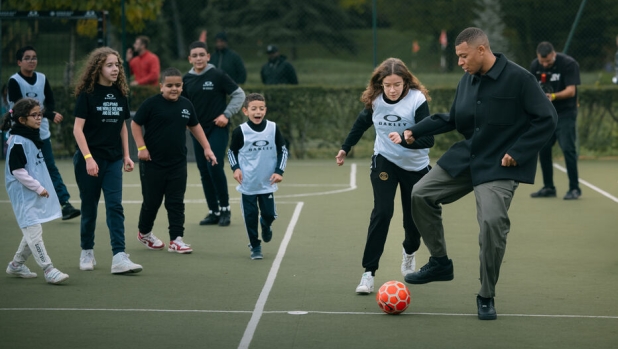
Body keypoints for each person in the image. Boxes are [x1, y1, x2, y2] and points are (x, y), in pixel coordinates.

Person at [393, 27, 557, 320]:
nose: (460, 62)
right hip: (468, 157)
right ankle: (440, 262)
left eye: (463, 56)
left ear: (482, 50)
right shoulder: (466, 81)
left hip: (501, 165)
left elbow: (547, 118)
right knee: (420, 193)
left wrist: (518, 152)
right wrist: (413, 131)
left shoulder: (520, 79)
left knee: (492, 223)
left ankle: (486, 294)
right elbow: (453, 119)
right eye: (458, 57)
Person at [335, 58, 434, 294]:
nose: (391, 90)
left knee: (413, 222)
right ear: (380, 84)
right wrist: (345, 148)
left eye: (397, 84)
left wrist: (405, 140)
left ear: (406, 82)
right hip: (385, 161)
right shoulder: (376, 100)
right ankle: (368, 273)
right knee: (382, 212)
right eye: (387, 85)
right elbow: (360, 125)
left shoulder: (417, 100)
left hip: (415, 166)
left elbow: (428, 139)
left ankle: (409, 253)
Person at [132, 67, 218, 254]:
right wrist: (141, 148)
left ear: (182, 86)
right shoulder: (151, 104)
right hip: (152, 163)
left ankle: (176, 240)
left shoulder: (186, 105)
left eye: (178, 85)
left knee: (176, 201)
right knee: (152, 202)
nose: (174, 89)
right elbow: (135, 123)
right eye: (169, 85)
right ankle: (144, 233)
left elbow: (195, 126)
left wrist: (207, 148)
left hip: (178, 164)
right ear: (161, 86)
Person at [73, 47, 143, 274]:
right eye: (110, 65)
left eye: (118, 65)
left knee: (115, 206)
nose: (115, 69)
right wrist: (88, 159)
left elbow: (122, 127)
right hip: (90, 160)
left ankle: (119, 256)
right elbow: (77, 129)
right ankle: (87, 251)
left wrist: (126, 155)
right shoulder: (87, 94)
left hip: (113, 161)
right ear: (98, 68)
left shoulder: (121, 93)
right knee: (89, 206)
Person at [7, 45, 81, 220]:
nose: (32, 60)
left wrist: (50, 113)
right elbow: (20, 108)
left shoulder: (42, 78)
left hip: (42, 134)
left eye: (34, 57)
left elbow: (50, 101)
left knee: (50, 168)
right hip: (23, 136)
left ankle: (65, 204)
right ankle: (27, 206)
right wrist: (49, 114)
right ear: (19, 62)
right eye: (27, 58)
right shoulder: (14, 81)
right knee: (24, 171)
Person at [3, 98, 69, 284]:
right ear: (22, 120)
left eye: (40, 114)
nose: (39, 118)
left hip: (30, 192)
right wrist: (39, 187)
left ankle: (16, 265)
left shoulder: (30, 135)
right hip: (22, 194)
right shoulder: (17, 141)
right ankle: (48, 269)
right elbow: (17, 171)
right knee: (34, 231)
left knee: (33, 230)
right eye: (34, 115)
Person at [182, 41, 245, 227]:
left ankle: (225, 209)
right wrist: (185, 121)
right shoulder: (186, 79)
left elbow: (239, 94)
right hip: (197, 131)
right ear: (190, 59)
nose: (199, 58)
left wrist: (226, 115)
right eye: (195, 55)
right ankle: (213, 211)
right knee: (203, 170)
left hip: (217, 129)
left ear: (208, 56)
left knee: (214, 167)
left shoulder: (217, 74)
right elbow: (183, 103)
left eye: (202, 54)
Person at [228, 93, 288, 260]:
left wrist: (279, 171)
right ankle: (255, 245)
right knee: (250, 217)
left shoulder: (273, 128)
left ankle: (266, 225)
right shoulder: (240, 131)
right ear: (245, 111)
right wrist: (236, 168)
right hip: (248, 183)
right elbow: (232, 152)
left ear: (265, 110)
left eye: (261, 108)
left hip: (267, 182)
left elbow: (283, 150)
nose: (258, 112)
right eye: (254, 109)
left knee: (269, 214)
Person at [529, 42, 582, 200]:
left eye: (548, 62)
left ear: (554, 54)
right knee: (543, 149)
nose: (544, 65)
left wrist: (552, 97)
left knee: (568, 149)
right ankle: (548, 187)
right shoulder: (534, 65)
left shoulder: (568, 64)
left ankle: (574, 189)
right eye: (542, 62)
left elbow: (571, 91)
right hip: (546, 116)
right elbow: (532, 87)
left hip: (565, 114)